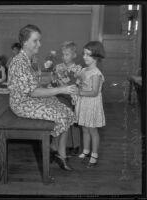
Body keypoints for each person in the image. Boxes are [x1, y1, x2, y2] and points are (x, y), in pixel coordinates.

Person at [7, 24, 78, 171]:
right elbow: (32, 92)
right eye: (36, 41)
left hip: (30, 98)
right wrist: (61, 89)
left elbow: (34, 82)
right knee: (62, 115)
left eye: (39, 40)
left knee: (66, 110)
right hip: (22, 104)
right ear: (25, 42)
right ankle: (61, 154)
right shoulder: (19, 62)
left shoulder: (29, 59)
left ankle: (55, 148)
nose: (39, 44)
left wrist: (49, 84)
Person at [74, 41, 106, 168]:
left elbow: (94, 92)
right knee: (84, 128)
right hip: (83, 103)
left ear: (96, 57)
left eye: (88, 55)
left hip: (92, 104)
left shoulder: (96, 73)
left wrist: (79, 92)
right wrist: (77, 82)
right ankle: (86, 151)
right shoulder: (84, 69)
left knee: (92, 130)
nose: (84, 57)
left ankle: (94, 154)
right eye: (84, 54)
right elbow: (79, 83)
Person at [53, 41, 82, 155]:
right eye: (63, 54)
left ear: (74, 55)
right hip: (60, 95)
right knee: (63, 118)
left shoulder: (78, 68)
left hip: (73, 97)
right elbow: (54, 82)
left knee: (74, 121)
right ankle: (64, 144)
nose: (64, 57)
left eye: (67, 54)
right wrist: (54, 80)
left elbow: (79, 83)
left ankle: (76, 145)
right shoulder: (58, 67)